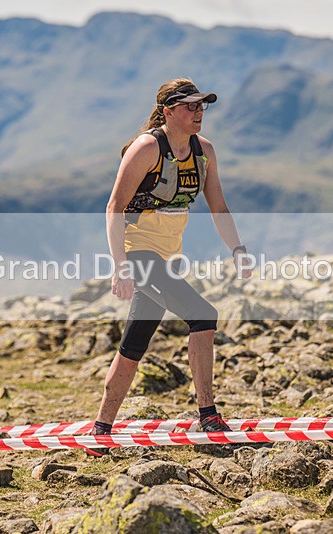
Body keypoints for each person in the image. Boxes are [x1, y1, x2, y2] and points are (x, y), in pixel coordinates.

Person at [92, 78, 252, 438]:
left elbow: (219, 207)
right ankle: (208, 413)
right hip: (137, 253)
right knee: (203, 315)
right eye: (190, 106)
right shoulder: (146, 149)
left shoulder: (204, 151)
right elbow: (114, 207)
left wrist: (237, 249)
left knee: (134, 345)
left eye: (202, 106)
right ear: (168, 112)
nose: (199, 113)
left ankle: (102, 428)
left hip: (165, 258)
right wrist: (120, 267)